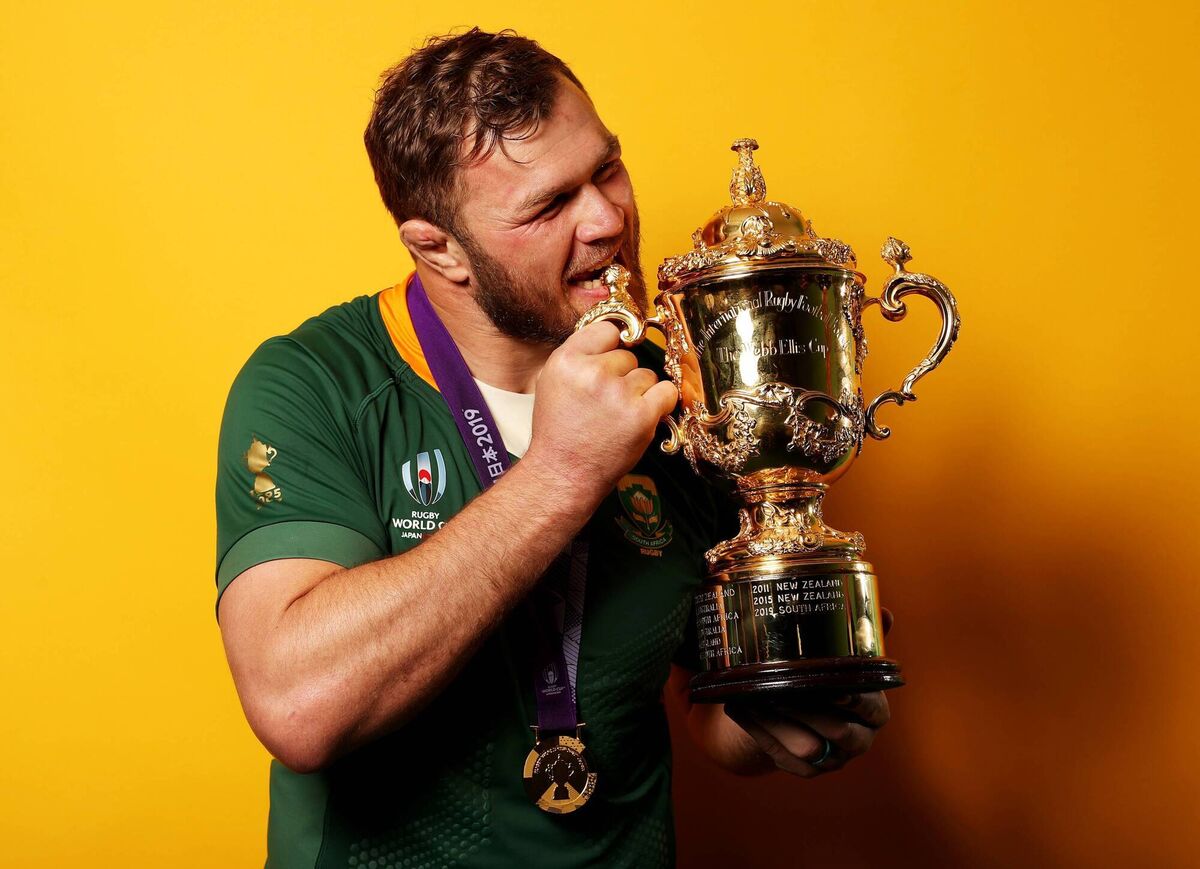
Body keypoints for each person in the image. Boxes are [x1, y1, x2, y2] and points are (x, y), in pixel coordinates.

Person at [215, 28, 890, 868]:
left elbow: (707, 707)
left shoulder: (685, 385)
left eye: (607, 169)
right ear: (439, 249)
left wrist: (788, 707)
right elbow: (297, 705)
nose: (608, 219)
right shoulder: (317, 384)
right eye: (548, 206)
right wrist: (562, 473)